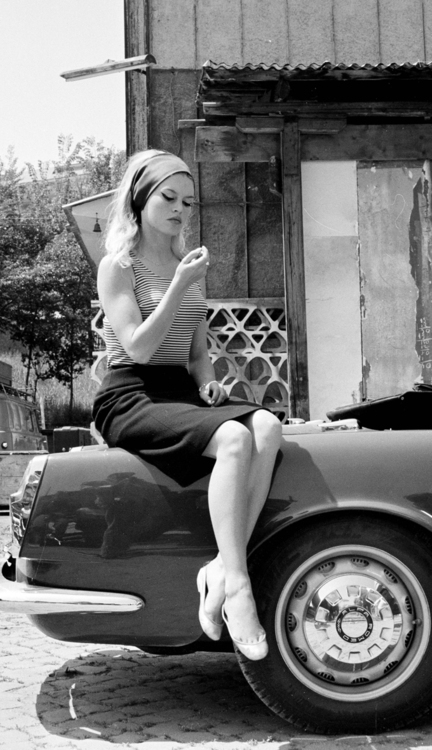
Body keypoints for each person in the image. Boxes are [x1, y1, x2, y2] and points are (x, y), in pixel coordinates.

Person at [93, 149, 282, 661]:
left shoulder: (186, 267)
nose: (181, 209)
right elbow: (137, 348)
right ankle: (238, 588)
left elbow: (197, 355)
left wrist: (209, 383)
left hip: (178, 392)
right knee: (235, 437)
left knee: (267, 426)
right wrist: (178, 286)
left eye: (189, 202)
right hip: (130, 393)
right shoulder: (118, 267)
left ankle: (220, 567)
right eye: (169, 198)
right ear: (139, 201)